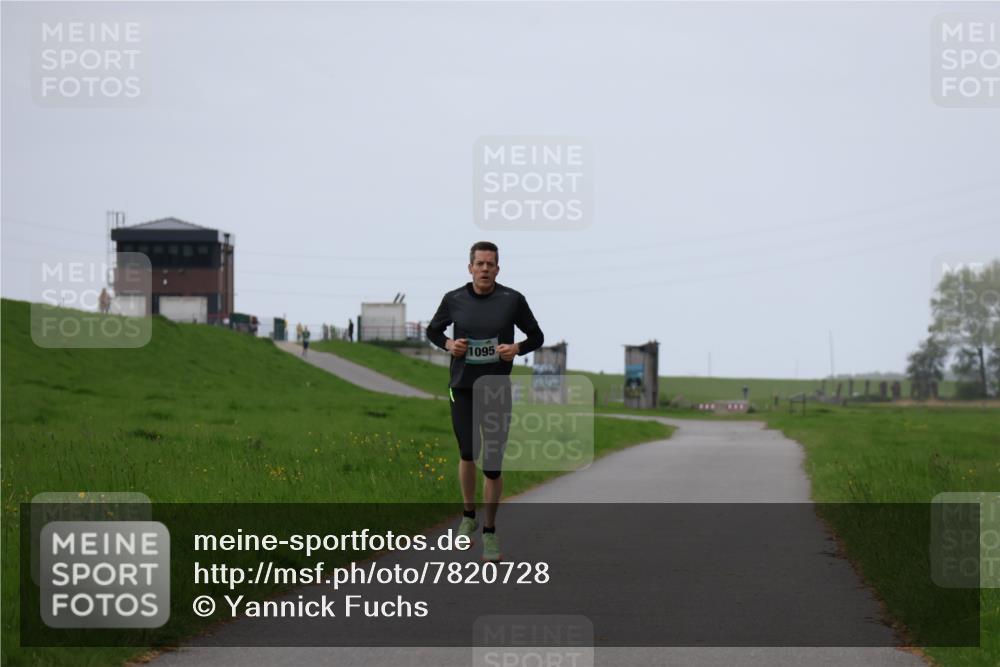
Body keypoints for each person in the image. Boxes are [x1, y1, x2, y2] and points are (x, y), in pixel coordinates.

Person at [425, 241, 544, 562]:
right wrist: (449, 344)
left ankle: (490, 532)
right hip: (462, 387)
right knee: (467, 451)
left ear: (498, 269)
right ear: (470, 268)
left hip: (496, 390)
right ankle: (468, 515)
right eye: (480, 264)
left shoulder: (512, 300)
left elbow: (537, 336)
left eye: (491, 264)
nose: (485, 269)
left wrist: (516, 348)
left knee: (492, 466)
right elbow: (433, 331)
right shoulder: (454, 299)